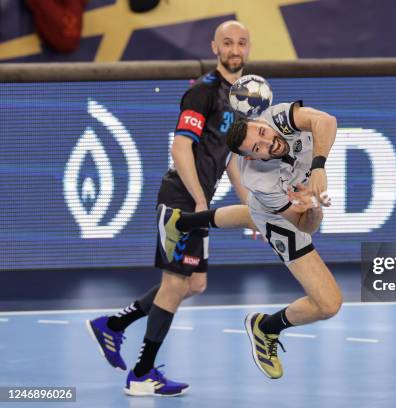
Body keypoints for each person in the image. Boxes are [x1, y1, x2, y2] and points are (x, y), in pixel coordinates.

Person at [86, 20, 253, 396]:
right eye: (228, 42)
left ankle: (112, 325)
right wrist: (197, 200)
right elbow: (181, 148)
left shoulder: (240, 98)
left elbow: (228, 159)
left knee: (194, 283)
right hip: (182, 197)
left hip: (198, 200)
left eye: (242, 43)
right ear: (215, 47)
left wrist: (250, 206)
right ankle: (142, 374)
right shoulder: (203, 91)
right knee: (176, 283)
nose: (235, 49)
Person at [158, 100, 343, 379]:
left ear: (261, 123)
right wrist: (313, 206)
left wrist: (318, 167)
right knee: (329, 304)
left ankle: (180, 222)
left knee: (250, 215)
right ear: (252, 158)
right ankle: (266, 327)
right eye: (258, 147)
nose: (268, 142)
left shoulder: (276, 119)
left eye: (262, 133)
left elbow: (326, 120)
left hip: (285, 193)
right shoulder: (261, 181)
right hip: (278, 213)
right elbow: (305, 226)